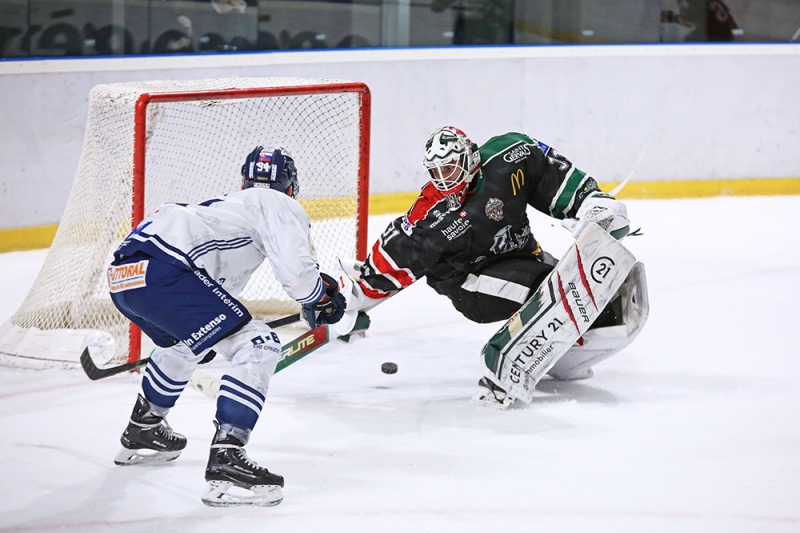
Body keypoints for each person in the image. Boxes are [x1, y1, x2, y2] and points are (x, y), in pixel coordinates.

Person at [334, 126, 643, 408]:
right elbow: (396, 257)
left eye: (450, 167)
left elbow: (548, 175)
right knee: (551, 292)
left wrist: (589, 201)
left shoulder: (509, 156)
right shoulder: (430, 216)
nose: (445, 178)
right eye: (436, 171)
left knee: (586, 298)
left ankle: (565, 358)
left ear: (470, 157)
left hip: (521, 257)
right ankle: (502, 366)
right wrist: (357, 294)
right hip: (471, 284)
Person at [106, 145, 346, 507]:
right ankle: (227, 456)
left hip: (124, 277)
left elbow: (213, 294)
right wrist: (320, 298)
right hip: (166, 272)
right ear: (291, 187)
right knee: (259, 344)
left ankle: (144, 428)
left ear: (244, 181)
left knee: (186, 346)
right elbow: (299, 278)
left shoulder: (222, 209)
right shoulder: (277, 203)